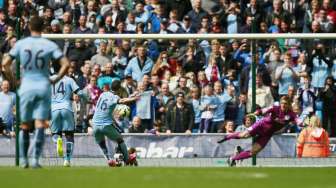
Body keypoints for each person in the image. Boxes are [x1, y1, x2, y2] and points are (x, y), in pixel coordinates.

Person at [2, 16, 69, 168]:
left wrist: (14, 80)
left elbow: (5, 64)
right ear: (43, 28)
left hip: (26, 85)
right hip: (43, 85)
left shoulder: (21, 43)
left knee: (24, 125)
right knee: (41, 123)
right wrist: (56, 78)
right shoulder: (48, 44)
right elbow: (66, 64)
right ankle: (35, 160)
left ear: (29, 27)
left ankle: (24, 160)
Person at [218, 96, 302, 166]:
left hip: (268, 134)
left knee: (253, 152)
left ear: (289, 105)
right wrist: (257, 112)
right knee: (243, 135)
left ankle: (232, 159)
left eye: (285, 103)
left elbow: (297, 120)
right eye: (282, 103)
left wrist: (301, 123)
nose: (283, 105)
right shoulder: (274, 108)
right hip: (260, 126)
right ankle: (226, 137)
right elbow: (264, 110)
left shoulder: (291, 114)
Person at [92, 81, 138, 166]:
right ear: (119, 89)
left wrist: (131, 96)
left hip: (94, 124)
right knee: (120, 140)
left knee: (101, 143)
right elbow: (122, 100)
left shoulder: (103, 94)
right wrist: (133, 99)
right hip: (105, 124)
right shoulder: (114, 97)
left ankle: (109, 160)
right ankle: (127, 159)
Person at [50, 74, 84, 167]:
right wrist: (85, 96)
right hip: (67, 108)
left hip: (53, 109)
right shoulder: (69, 80)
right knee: (69, 135)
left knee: (55, 133)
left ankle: (58, 140)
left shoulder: (49, 79)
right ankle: (67, 160)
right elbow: (78, 92)